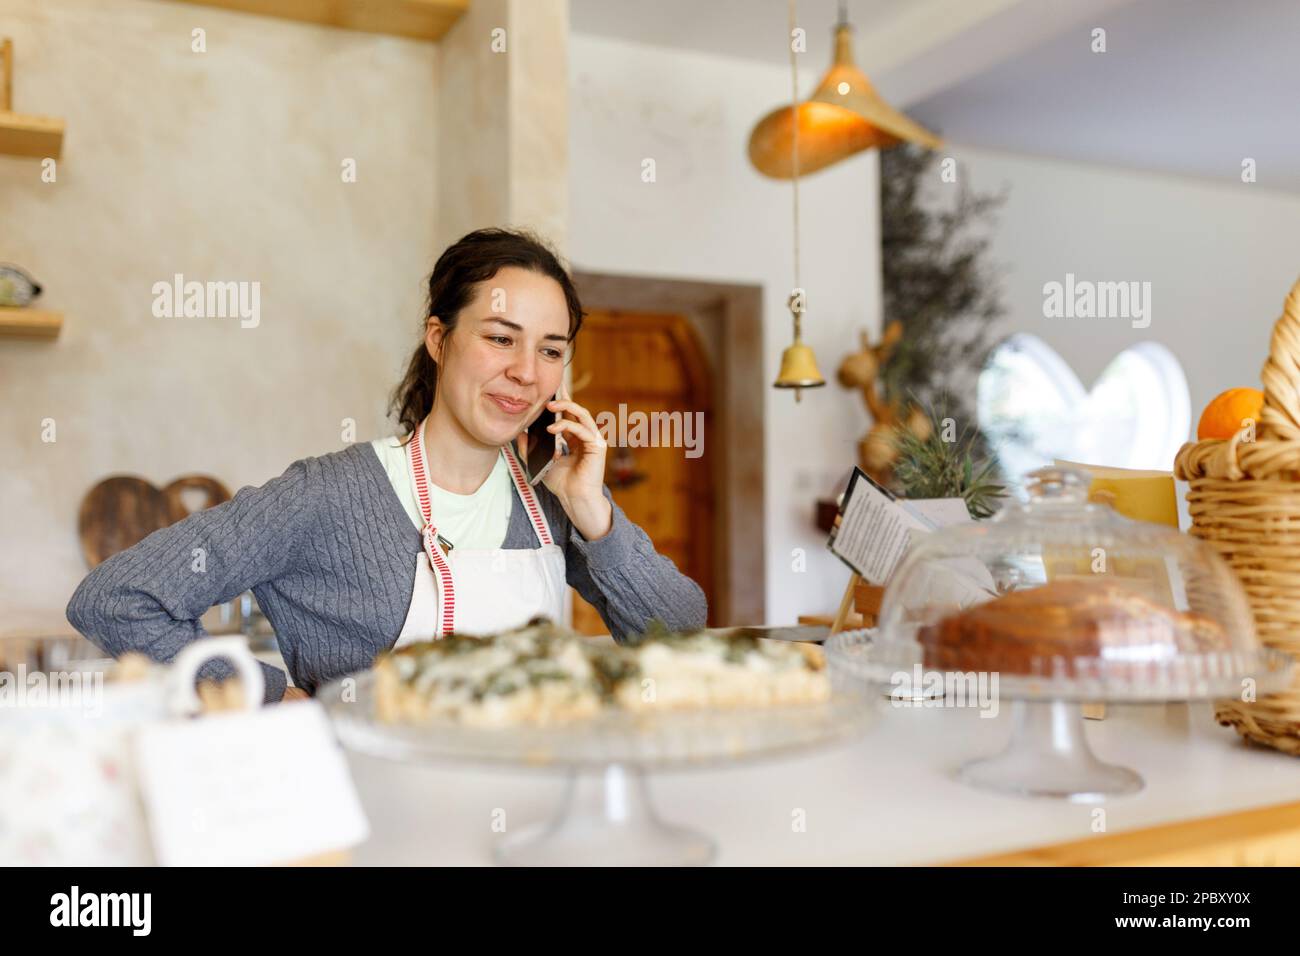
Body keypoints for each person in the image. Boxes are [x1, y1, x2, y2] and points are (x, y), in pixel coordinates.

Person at [66, 228, 708, 702]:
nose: (526, 372)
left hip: (535, 808)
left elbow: (679, 633)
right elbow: (116, 599)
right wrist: (273, 698)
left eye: (551, 350)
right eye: (499, 337)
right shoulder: (330, 494)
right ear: (439, 340)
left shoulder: (551, 501)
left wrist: (595, 515)